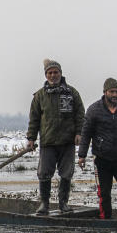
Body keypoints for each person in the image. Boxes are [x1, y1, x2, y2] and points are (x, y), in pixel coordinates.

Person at [77, 78, 117, 219]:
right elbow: (86, 134)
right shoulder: (94, 110)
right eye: (112, 91)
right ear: (105, 92)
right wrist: (81, 155)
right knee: (104, 193)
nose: (115, 95)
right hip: (101, 159)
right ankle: (106, 219)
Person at [26, 59, 84, 215]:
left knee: (66, 173)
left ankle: (63, 203)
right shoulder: (39, 96)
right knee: (44, 173)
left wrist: (79, 133)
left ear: (61, 73)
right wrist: (31, 138)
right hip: (48, 142)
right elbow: (34, 119)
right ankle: (44, 204)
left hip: (67, 141)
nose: (53, 75)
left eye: (56, 72)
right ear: (46, 75)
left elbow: (80, 115)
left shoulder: (72, 93)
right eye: (50, 73)